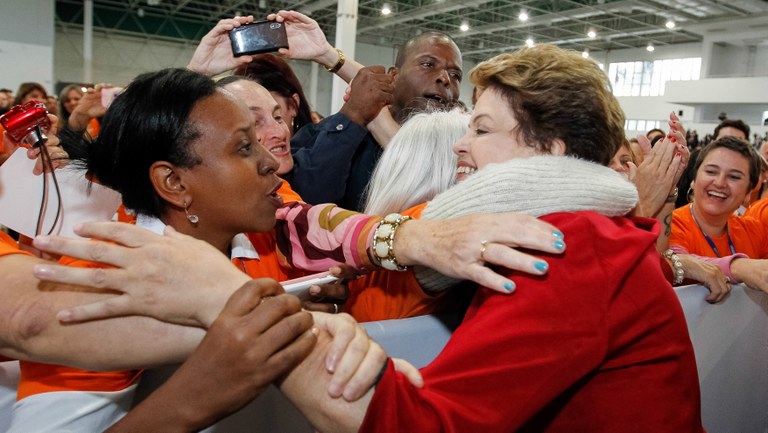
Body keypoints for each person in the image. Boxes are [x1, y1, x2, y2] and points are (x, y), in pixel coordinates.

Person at [41, 44, 703, 432]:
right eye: (248, 143)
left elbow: (333, 229)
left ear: (551, 150)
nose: (278, 158)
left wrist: (273, 328)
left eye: (479, 129)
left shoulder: (561, 242)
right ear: (172, 183)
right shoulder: (97, 260)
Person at [276, 11, 463, 210]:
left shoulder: (463, 151)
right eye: (428, 64)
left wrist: (329, 56)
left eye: (455, 75)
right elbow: (302, 204)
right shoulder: (327, 136)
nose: (445, 78)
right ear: (393, 77)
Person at [670, 136, 768, 294]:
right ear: (694, 181)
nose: (720, 182)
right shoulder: (671, 225)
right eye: (711, 172)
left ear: (748, 193)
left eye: (734, 177)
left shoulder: (755, 230)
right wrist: (739, 267)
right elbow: (674, 263)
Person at [234, 54, 313, 136]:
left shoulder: (321, 145)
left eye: (277, 117)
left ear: (293, 106)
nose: (271, 130)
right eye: (255, 121)